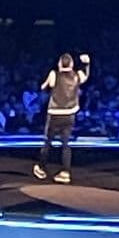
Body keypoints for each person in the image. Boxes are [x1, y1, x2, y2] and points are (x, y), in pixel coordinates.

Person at [33, 52, 90, 183]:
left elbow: (44, 86)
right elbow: (85, 76)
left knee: (48, 141)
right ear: (71, 64)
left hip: (54, 113)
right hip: (69, 114)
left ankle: (41, 167)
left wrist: (44, 85)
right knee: (65, 144)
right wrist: (87, 64)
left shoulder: (54, 74)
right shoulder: (77, 75)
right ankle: (66, 172)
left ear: (60, 64)